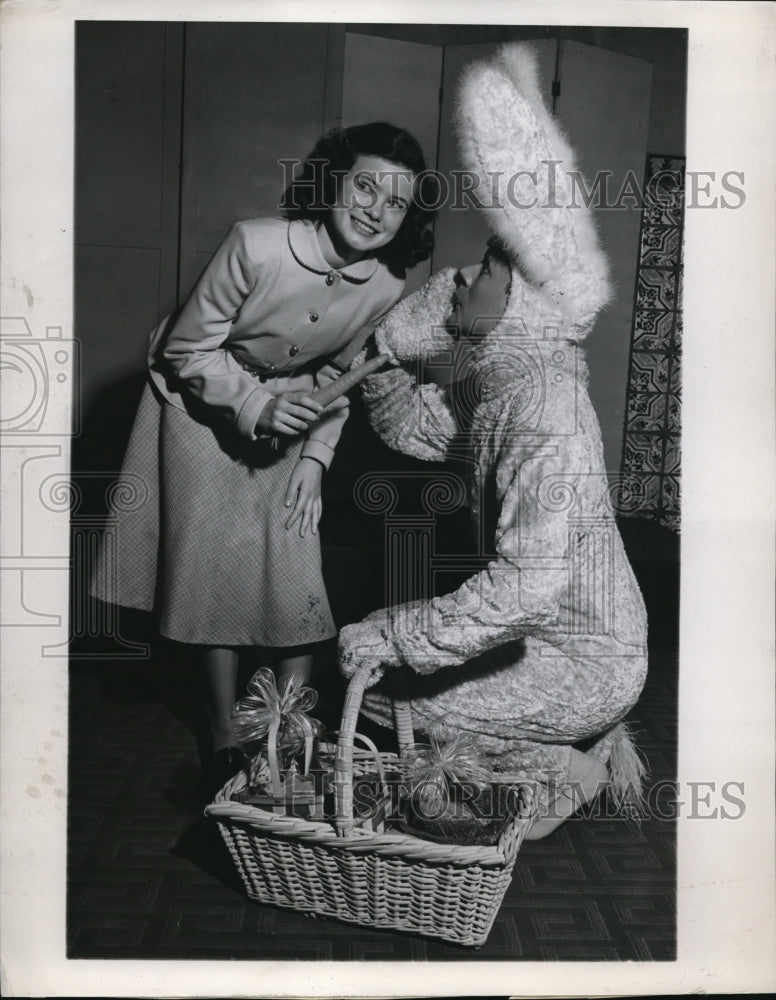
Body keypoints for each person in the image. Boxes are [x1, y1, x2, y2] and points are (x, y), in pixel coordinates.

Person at [338, 44, 649, 839]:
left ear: (517, 299)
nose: (463, 275)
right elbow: (414, 427)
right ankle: (549, 743)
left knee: (385, 695)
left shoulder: (544, 409)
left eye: (484, 266)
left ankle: (568, 763)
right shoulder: (510, 384)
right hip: (545, 638)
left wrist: (399, 632)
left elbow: (525, 589)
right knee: (388, 688)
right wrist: (386, 358)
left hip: (584, 660)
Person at [91, 121, 437, 795]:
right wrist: (255, 406)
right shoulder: (255, 244)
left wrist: (314, 462)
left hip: (292, 420)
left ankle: (287, 727)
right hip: (196, 405)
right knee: (211, 566)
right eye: (364, 185)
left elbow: (341, 383)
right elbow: (186, 351)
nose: (375, 209)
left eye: (395, 202)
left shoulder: (384, 286)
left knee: (290, 564)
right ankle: (223, 729)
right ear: (331, 182)